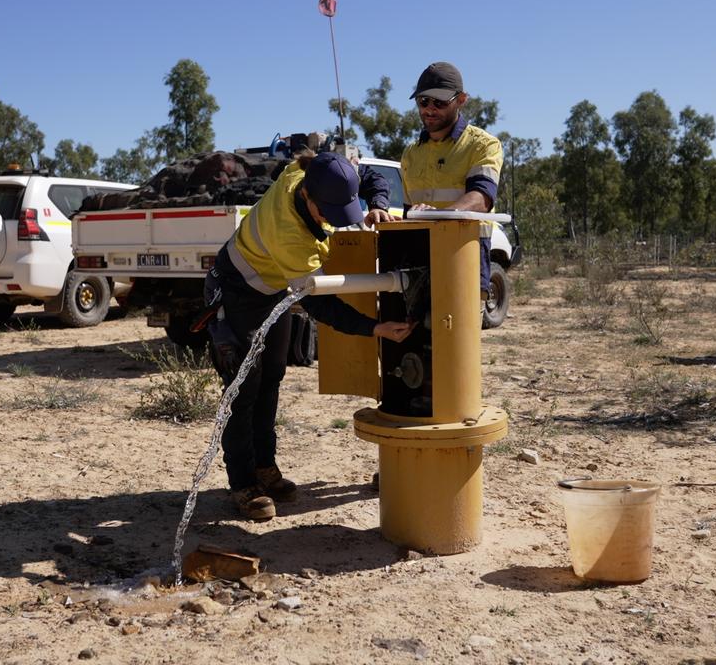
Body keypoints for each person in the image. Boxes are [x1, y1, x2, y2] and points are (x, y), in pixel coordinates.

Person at [203, 151, 412, 521]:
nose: (333, 220)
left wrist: (378, 203)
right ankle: (243, 484)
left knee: (272, 377)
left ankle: (265, 467)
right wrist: (373, 328)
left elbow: (369, 177)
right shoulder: (289, 235)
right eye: (327, 212)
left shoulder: (315, 174)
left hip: (273, 288)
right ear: (307, 198)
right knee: (244, 385)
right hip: (238, 292)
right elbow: (322, 306)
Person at [400, 61, 503, 295]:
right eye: (423, 101)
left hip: (465, 256)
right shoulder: (411, 153)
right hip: (416, 263)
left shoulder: (483, 144)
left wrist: (435, 216)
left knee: (456, 332)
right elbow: (408, 212)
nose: (429, 108)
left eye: (440, 102)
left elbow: (481, 199)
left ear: (461, 100)